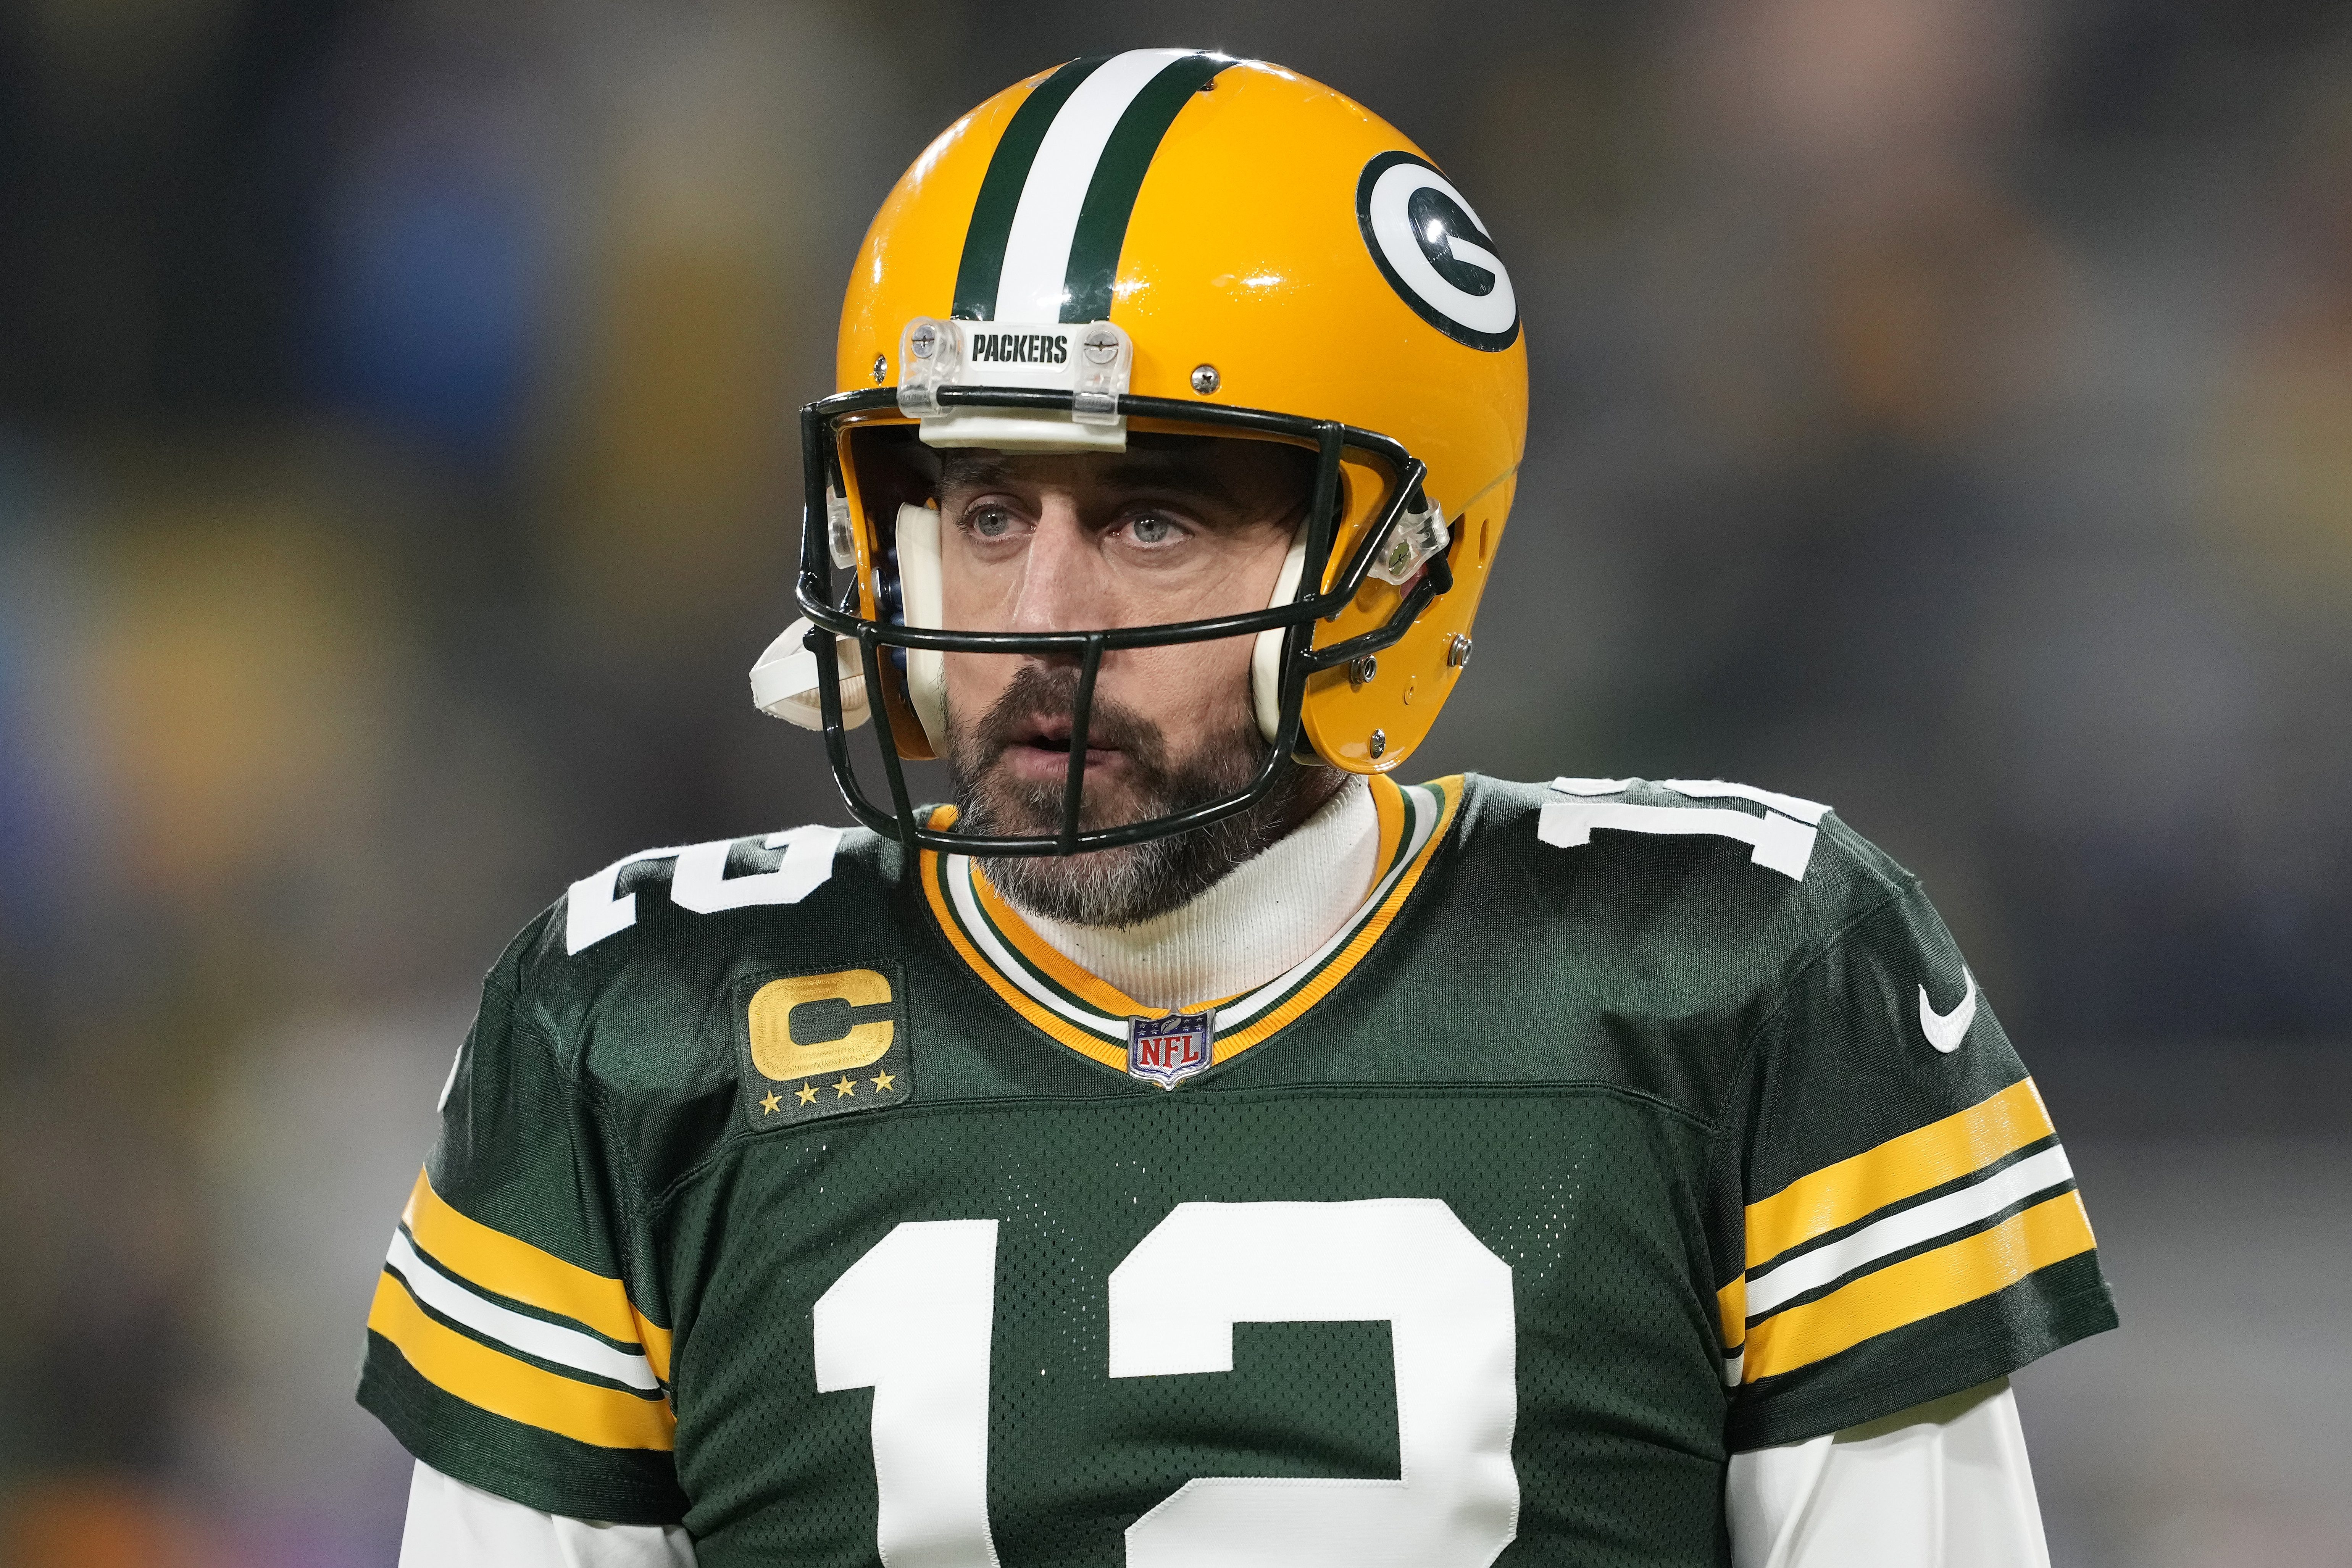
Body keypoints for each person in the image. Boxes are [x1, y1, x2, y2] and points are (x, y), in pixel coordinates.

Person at [360, 50, 2115, 1568]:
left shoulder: (1743, 976)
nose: (1038, 621)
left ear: (1393, 566)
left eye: (1147, 522)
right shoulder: (635, 1026)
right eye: (983, 513)